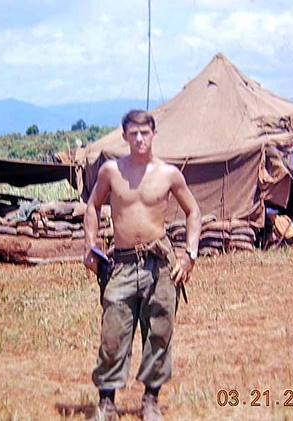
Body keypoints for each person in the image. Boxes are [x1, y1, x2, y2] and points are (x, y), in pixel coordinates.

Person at [83, 109, 202, 421]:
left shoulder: (169, 174)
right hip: (121, 264)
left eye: (144, 132)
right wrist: (91, 246)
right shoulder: (111, 171)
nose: (139, 138)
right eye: (133, 133)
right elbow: (93, 206)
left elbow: (193, 212)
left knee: (160, 332)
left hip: (159, 265)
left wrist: (190, 254)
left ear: (153, 134)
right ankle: (107, 402)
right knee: (112, 335)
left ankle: (151, 400)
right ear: (124, 136)